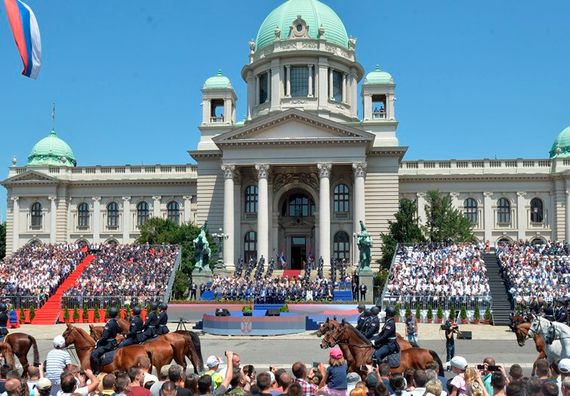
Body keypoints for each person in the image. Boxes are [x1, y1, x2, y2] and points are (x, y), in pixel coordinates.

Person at [91, 306, 120, 373]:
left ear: (109, 314)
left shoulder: (109, 323)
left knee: (94, 354)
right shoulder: (116, 322)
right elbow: (118, 330)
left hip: (108, 344)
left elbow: (105, 337)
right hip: (113, 342)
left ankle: (96, 371)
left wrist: (99, 341)